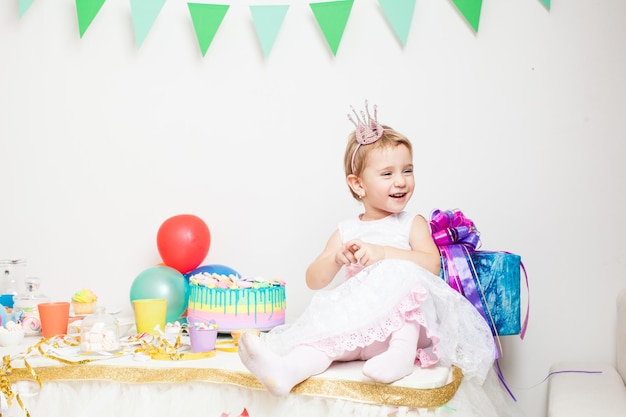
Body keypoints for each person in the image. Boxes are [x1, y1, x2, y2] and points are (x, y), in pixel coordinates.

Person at [238, 102, 518, 415]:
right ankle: (287, 371)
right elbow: (313, 280)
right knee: (322, 339)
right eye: (387, 173)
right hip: (363, 327)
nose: (401, 181)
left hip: (407, 330)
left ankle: (400, 356)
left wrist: (384, 254)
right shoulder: (347, 230)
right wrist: (336, 258)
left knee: (405, 276)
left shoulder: (412, 223)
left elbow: (432, 264)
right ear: (357, 184)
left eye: (407, 170)